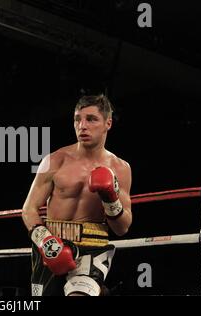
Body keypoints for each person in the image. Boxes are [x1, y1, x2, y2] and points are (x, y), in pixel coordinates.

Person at [22, 94, 132, 296]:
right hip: (51, 243)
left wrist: (111, 200)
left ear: (108, 123)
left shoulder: (120, 168)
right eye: (77, 119)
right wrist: (46, 241)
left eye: (91, 119)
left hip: (92, 248)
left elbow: (122, 227)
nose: (82, 125)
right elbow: (28, 210)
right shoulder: (55, 160)